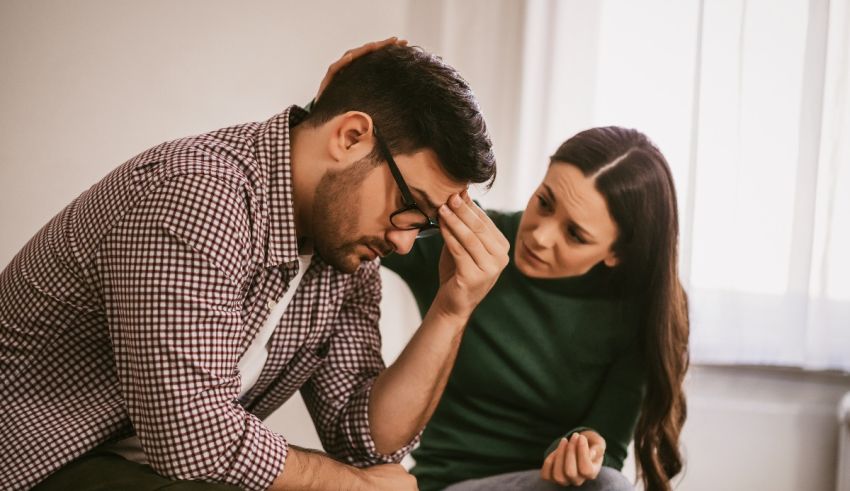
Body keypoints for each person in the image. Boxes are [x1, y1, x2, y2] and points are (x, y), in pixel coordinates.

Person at [0, 39, 510, 491]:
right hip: (35, 465)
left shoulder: (345, 253)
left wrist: (452, 307)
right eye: (409, 204)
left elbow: (365, 443)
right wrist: (352, 486)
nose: (403, 242)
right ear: (351, 136)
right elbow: (189, 436)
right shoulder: (200, 193)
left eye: (422, 224)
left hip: (140, 471)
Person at [382, 126, 690, 491]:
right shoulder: (470, 241)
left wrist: (583, 449)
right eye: (544, 202)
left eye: (575, 235)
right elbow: (348, 206)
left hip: (548, 485)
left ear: (617, 254)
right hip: (447, 484)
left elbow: (608, 453)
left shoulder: (636, 314)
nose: (540, 236)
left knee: (609, 485)